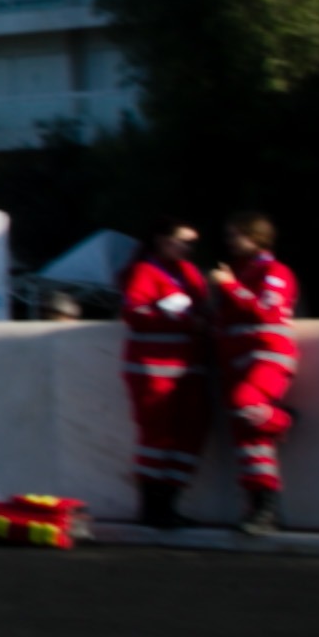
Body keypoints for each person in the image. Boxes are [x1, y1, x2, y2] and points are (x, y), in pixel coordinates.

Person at [185, 212, 301, 535]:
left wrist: (231, 287)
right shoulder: (237, 272)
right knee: (250, 441)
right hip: (235, 363)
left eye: (237, 235)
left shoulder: (274, 271)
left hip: (268, 357)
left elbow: (266, 311)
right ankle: (263, 510)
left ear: (257, 237)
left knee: (244, 403)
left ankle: (284, 419)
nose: (230, 241)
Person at [118, 218, 212, 525]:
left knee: (189, 436)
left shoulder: (191, 274)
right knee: (156, 438)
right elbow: (133, 312)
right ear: (161, 240)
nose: (188, 247)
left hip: (188, 369)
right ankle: (152, 508)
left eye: (192, 243)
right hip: (152, 370)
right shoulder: (145, 271)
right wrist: (172, 315)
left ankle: (169, 505)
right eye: (182, 240)